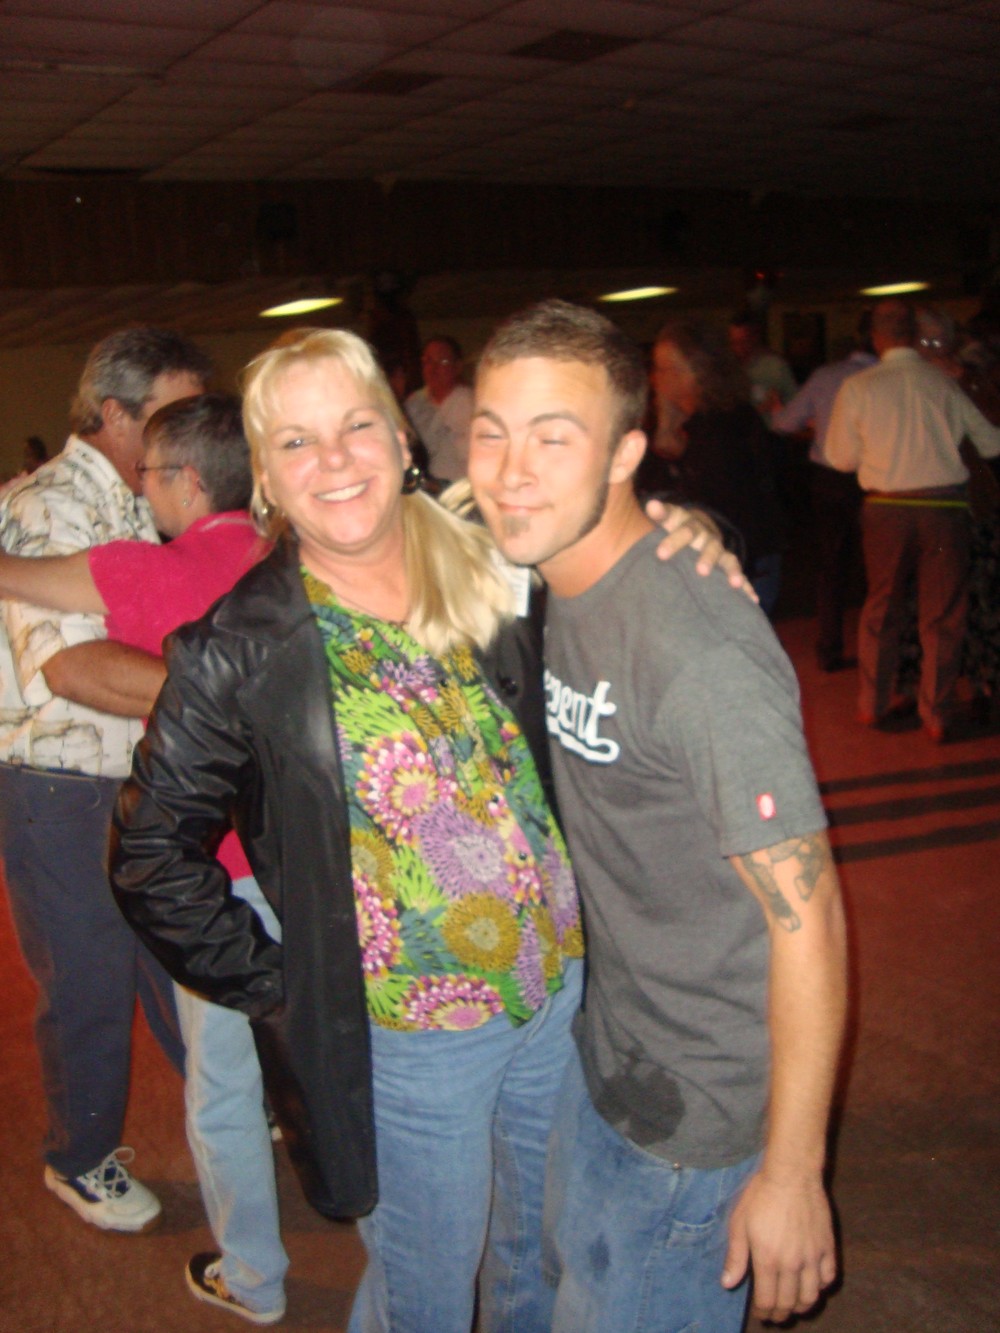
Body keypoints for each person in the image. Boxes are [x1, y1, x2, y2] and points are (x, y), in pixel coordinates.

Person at [109, 328, 585, 1333]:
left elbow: (620, 548)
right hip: (415, 1035)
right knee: (427, 1287)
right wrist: (285, 984)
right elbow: (150, 854)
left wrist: (691, 533)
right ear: (266, 477)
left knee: (537, 1249)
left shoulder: (489, 552)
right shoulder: (239, 646)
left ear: (402, 439)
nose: (333, 459)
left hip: (558, 985)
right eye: (295, 441)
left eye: (356, 425)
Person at [467, 299, 848, 1331]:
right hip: (609, 1047)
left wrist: (792, 1172)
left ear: (626, 452)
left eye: (554, 437)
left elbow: (808, 914)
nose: (512, 471)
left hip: (696, 1105)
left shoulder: (699, 650)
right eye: (492, 434)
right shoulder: (549, 568)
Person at [0, 393, 286, 1323]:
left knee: (218, 1083)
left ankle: (253, 1275)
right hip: (313, 863)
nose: (141, 488)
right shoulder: (290, 554)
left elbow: (20, 581)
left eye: (152, 475)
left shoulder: (153, 566)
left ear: (189, 484)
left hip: (223, 863)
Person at [0, 326, 209, 1232]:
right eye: (172, 413)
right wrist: (229, 695)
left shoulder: (143, 499)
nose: (190, 432)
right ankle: (78, 1158)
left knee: (178, 957)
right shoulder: (48, 506)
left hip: (141, 775)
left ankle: (227, 1102)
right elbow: (73, 668)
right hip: (61, 785)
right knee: (88, 977)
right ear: (115, 414)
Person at [825, 299, 1000, 741]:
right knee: (942, 613)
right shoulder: (943, 383)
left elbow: (839, 458)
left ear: (876, 338)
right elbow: (992, 443)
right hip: (943, 511)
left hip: (886, 509)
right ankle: (936, 713)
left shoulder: (859, 386)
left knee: (881, 607)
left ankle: (872, 703)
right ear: (912, 336)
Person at [648, 316, 787, 615]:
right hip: (728, 560)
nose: (655, 378)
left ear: (696, 371)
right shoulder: (699, 424)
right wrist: (666, 424)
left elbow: (718, 504)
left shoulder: (722, 426)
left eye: (665, 368)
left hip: (743, 563)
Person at [773, 318, 876, 670]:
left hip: (830, 480)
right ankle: (882, 652)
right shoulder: (886, 378)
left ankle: (829, 649)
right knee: (880, 569)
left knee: (832, 566)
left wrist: (778, 410)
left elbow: (785, 423)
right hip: (876, 480)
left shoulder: (826, 376)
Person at [404, 335, 474, 483]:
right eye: (428, 361)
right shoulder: (414, 404)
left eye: (442, 361)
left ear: (457, 366)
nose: (433, 368)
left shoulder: (471, 403)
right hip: (425, 486)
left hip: (461, 486)